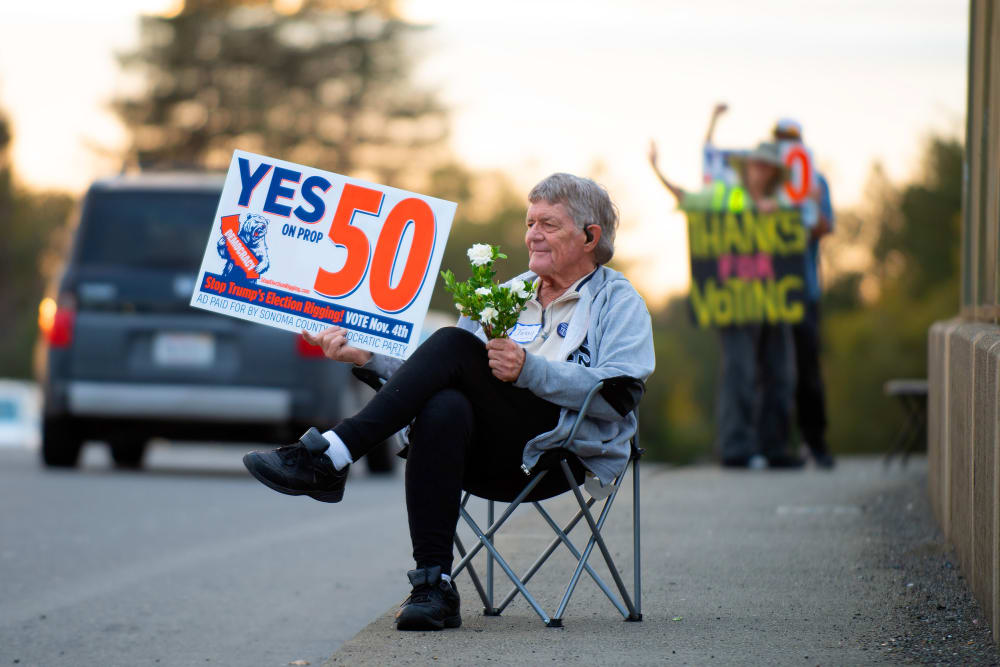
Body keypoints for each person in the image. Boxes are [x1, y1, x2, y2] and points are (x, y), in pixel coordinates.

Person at [242, 173, 655, 631]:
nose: (533, 233)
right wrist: (368, 358)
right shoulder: (510, 294)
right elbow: (436, 374)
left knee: (455, 344)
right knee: (443, 404)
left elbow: (619, 394)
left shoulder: (618, 302)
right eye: (530, 221)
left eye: (549, 224)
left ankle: (333, 455)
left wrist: (529, 370)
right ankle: (433, 586)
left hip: (560, 454)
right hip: (484, 453)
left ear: (590, 236)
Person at [648, 139, 801, 469]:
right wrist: (657, 169)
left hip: (774, 299)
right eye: (756, 165)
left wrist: (785, 213)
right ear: (747, 168)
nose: (760, 171)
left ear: (774, 172)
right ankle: (736, 447)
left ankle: (774, 446)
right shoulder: (725, 195)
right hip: (733, 302)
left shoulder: (783, 199)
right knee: (739, 370)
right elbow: (686, 199)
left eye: (767, 166)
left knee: (781, 372)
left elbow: (799, 234)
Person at [772, 118, 835, 469]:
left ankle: (817, 443)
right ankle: (777, 447)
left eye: (791, 140)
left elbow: (824, 227)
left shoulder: (816, 181)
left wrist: (809, 205)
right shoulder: (763, 183)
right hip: (765, 294)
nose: (785, 146)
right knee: (774, 373)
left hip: (804, 291)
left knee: (808, 370)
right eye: (781, 140)